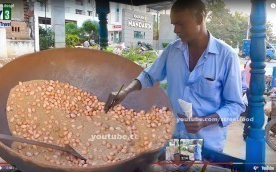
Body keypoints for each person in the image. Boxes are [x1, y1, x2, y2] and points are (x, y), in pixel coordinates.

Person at [104, 0, 245, 153]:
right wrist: (125, 91)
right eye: (173, 25)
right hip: (175, 139)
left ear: (199, 18)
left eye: (181, 24)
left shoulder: (226, 56)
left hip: (207, 145)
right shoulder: (172, 51)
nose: (176, 30)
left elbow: (235, 105)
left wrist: (204, 121)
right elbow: (149, 75)